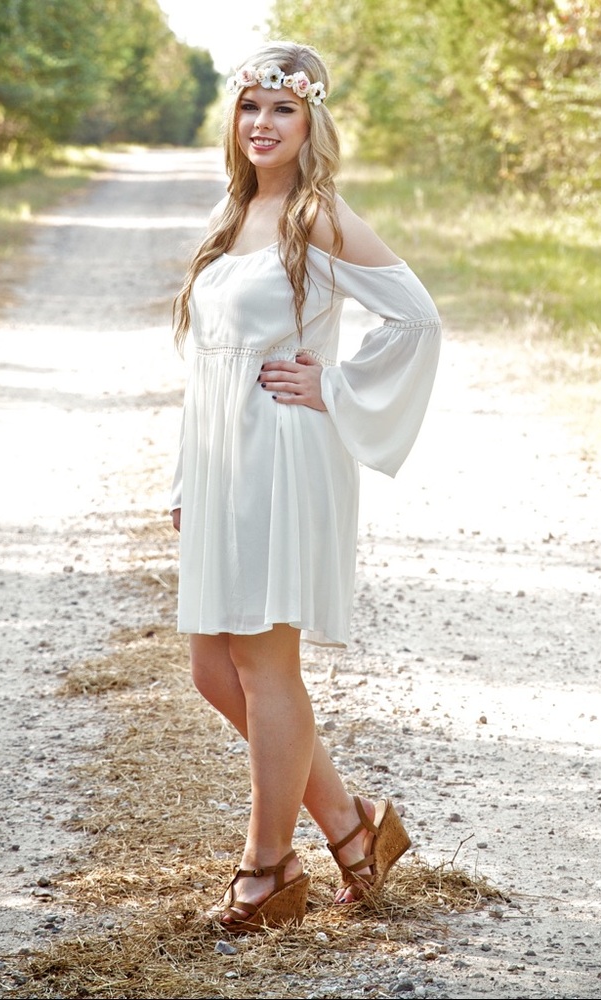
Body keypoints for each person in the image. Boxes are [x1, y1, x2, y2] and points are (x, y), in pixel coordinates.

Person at [169, 41, 441, 933]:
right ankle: (351, 825)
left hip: (282, 454)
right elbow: (206, 364)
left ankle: (267, 868)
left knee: (262, 660)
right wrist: (186, 471)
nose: (261, 123)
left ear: (310, 120)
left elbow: (416, 316)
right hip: (222, 456)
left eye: (281, 109)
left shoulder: (319, 216)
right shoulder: (231, 213)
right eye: (249, 106)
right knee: (215, 668)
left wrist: (334, 383)